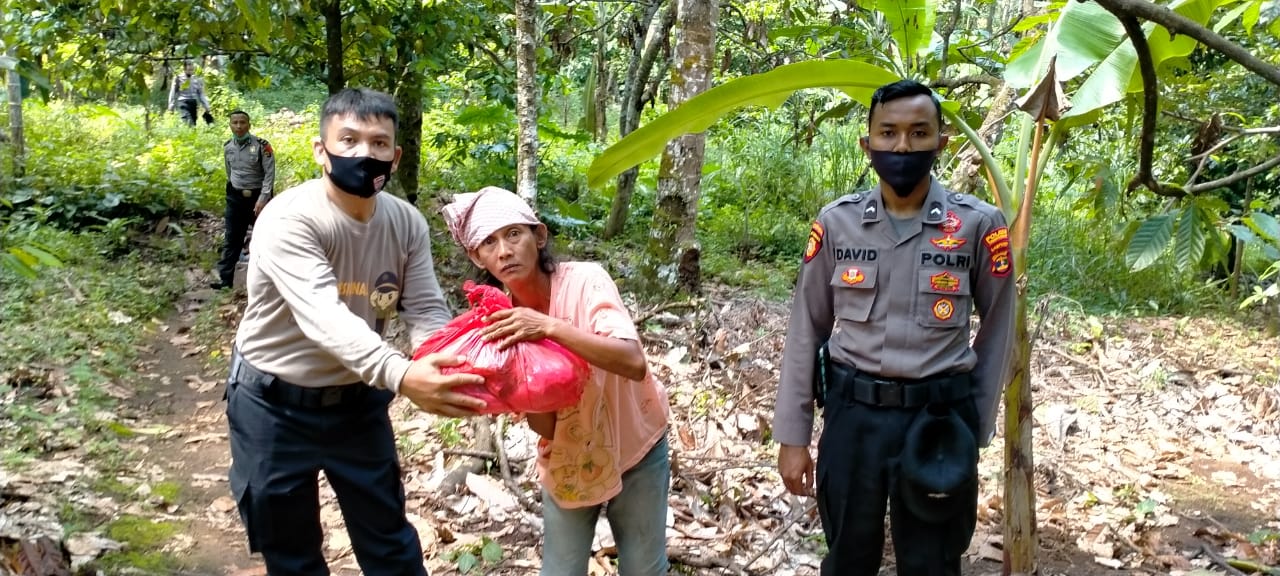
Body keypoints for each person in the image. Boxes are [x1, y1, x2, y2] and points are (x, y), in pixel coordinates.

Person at [225, 87, 488, 576]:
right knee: (291, 551)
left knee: (389, 544)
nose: (364, 154)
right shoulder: (289, 218)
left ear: (396, 155)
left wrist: (446, 359)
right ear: (320, 150)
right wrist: (405, 376)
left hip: (357, 402)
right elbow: (322, 315)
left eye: (378, 143)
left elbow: (426, 306)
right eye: (348, 140)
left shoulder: (406, 222)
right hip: (272, 403)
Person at [771, 79, 1016, 576]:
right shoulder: (837, 224)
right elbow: (806, 329)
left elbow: (999, 330)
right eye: (888, 133)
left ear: (940, 142)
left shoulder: (977, 225)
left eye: (918, 133)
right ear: (868, 143)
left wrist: (976, 425)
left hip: (939, 420)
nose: (902, 146)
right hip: (853, 417)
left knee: (933, 563)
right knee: (846, 559)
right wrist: (793, 435)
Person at [441, 187, 671, 576]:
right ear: (476, 256)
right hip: (568, 456)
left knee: (644, 569)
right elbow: (544, 423)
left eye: (514, 234)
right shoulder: (501, 322)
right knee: (560, 571)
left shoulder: (585, 282)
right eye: (489, 242)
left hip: (637, 446)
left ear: (539, 236)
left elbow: (632, 362)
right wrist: (517, 385)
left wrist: (548, 327)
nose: (504, 251)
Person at [212, 110, 275, 290]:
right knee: (232, 238)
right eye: (235, 123)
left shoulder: (263, 146)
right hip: (236, 198)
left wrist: (263, 198)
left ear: (249, 125)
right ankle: (225, 281)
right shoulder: (228, 147)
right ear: (230, 125)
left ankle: (272, 281)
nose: (239, 126)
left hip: (258, 198)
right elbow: (229, 172)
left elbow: (269, 174)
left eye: (242, 122)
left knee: (267, 238)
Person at [167, 60, 211, 126]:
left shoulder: (196, 79)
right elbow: (173, 92)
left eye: (192, 69)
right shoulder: (178, 78)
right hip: (183, 102)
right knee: (188, 122)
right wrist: (171, 105)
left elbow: (201, 94)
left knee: (193, 123)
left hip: (193, 103)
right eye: (189, 69)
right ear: (184, 69)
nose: (190, 71)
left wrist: (206, 106)